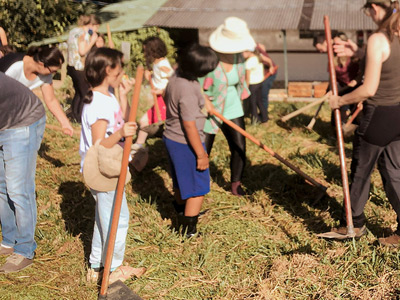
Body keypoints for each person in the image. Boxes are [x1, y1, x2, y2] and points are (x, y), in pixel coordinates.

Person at [327, 0, 400, 246]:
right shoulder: (397, 33)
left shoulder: (378, 38)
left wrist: (339, 100)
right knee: (394, 172)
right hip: (398, 114)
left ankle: (354, 224)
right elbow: (389, 62)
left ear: (375, 8)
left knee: (360, 172)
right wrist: (357, 52)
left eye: (368, 10)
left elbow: (368, 89)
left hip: (378, 115)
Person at [80, 47, 145, 283]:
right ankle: (113, 268)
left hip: (111, 168)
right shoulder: (98, 104)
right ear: (109, 70)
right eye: (120, 67)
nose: (123, 71)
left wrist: (124, 94)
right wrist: (120, 132)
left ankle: (97, 266)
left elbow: (124, 118)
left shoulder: (107, 96)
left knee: (104, 218)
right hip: (102, 171)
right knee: (118, 219)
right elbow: (99, 145)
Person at [163, 44, 218, 237]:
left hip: (171, 137)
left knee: (181, 180)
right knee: (198, 187)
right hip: (185, 142)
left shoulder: (177, 76)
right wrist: (201, 154)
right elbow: (189, 125)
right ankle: (188, 230)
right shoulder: (186, 90)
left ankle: (181, 213)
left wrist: (204, 101)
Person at [202, 16, 254, 196]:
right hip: (210, 109)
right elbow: (195, 84)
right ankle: (200, 187)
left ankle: (235, 185)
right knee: (203, 150)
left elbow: (241, 83)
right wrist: (205, 102)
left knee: (239, 147)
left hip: (232, 106)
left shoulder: (239, 57)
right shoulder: (208, 58)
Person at [0, 72, 47, 273]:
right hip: (4, 121)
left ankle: (25, 249)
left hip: (22, 120)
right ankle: (9, 240)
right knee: (1, 186)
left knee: (19, 189)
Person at [4, 45, 73, 136]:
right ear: (41, 63)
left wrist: (65, 123)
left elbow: (51, 100)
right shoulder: (15, 65)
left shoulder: (45, 75)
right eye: (52, 71)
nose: (53, 74)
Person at [131, 36, 174, 156]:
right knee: (151, 121)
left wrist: (161, 91)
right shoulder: (157, 63)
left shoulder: (162, 65)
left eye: (146, 51)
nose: (144, 53)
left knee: (144, 121)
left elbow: (173, 79)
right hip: (160, 98)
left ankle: (139, 145)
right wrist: (149, 75)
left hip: (164, 99)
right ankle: (158, 134)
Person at [67, 14, 102, 123]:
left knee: (78, 92)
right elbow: (82, 52)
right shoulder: (84, 34)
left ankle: (74, 115)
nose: (96, 30)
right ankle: (81, 118)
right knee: (85, 93)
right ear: (92, 25)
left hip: (71, 65)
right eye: (96, 27)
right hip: (79, 67)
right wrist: (92, 41)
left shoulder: (74, 31)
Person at [242, 46, 268, 125]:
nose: (242, 54)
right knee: (259, 101)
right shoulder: (258, 57)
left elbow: (247, 78)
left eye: (244, 52)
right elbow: (267, 61)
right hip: (259, 83)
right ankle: (265, 118)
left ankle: (255, 121)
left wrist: (245, 88)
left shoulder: (248, 62)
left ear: (249, 52)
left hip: (252, 85)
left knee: (252, 103)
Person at [257, 43, 278, 120]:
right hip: (262, 75)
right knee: (259, 95)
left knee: (263, 94)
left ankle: (264, 115)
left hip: (270, 73)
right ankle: (262, 113)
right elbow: (262, 46)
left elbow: (268, 60)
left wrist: (271, 67)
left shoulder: (253, 49)